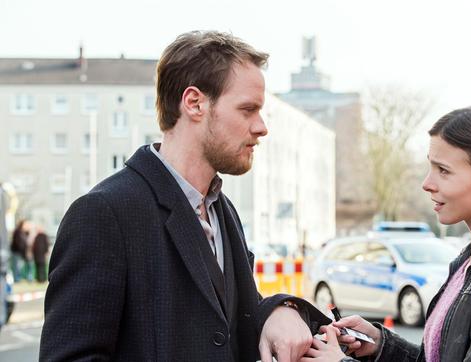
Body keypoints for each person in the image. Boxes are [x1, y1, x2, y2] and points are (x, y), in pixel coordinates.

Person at [40, 31, 331, 361]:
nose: (262, 127)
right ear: (194, 103)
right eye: (248, 109)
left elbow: (229, 322)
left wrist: (280, 310)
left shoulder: (224, 210)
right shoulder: (103, 213)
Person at [304, 105, 471, 362]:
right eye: (431, 168)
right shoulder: (470, 261)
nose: (427, 184)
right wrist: (380, 344)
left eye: (443, 171)